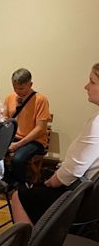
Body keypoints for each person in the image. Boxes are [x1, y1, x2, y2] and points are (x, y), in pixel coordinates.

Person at [12, 63, 99, 225]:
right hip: (88, 196)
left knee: (18, 196)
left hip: (79, 197)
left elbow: (74, 169)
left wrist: (52, 181)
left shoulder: (97, 123)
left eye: (92, 82)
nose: (86, 86)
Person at [4, 68, 51, 185]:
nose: (17, 91)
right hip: (15, 137)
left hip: (35, 141)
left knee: (18, 159)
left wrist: (18, 145)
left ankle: (19, 188)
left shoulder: (40, 100)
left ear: (30, 84)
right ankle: (10, 184)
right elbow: (5, 119)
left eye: (21, 88)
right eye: (15, 87)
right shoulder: (10, 97)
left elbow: (41, 128)